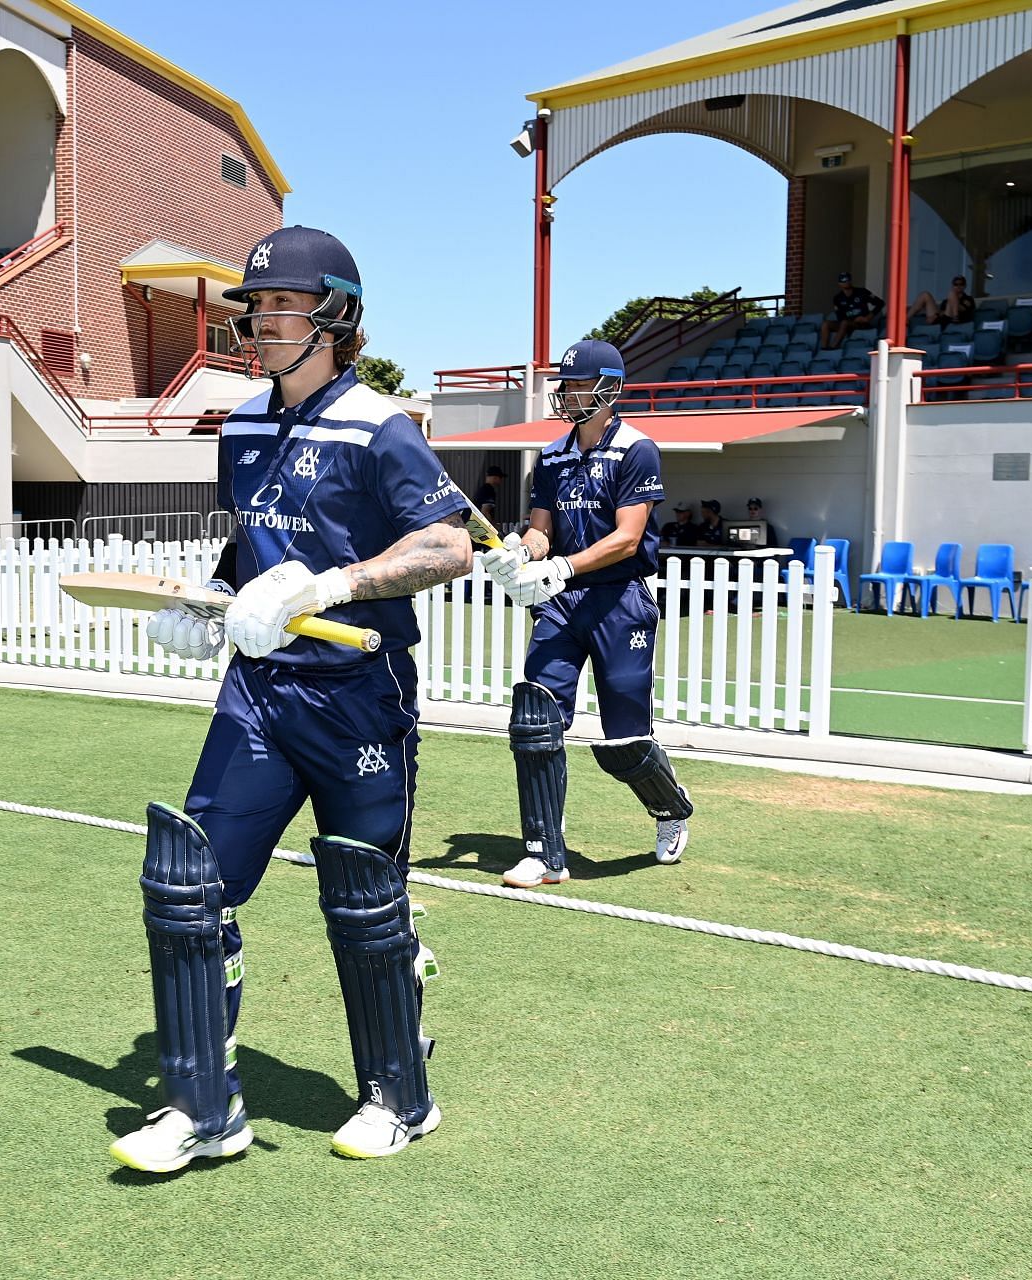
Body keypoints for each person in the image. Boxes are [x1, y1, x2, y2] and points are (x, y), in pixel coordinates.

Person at [110, 225, 472, 1174]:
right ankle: (202, 1108)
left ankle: (401, 1094)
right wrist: (210, 604)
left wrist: (334, 586)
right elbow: (251, 550)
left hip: (359, 691)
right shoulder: (240, 425)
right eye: (256, 307)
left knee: (364, 895)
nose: (261, 322)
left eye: (281, 307)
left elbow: (447, 548)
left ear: (336, 319)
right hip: (259, 693)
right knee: (190, 887)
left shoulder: (383, 425)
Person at [479, 339, 693, 890]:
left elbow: (627, 539)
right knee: (535, 716)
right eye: (566, 383)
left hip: (619, 600)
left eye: (578, 384)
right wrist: (520, 553)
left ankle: (670, 807)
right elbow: (541, 529)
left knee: (625, 745)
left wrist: (565, 568)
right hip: (562, 602)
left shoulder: (637, 449)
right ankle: (545, 852)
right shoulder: (551, 454)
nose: (567, 393)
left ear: (609, 390)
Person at [820, 271, 883, 349]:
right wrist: (852, 320)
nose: (846, 283)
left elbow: (880, 303)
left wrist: (868, 317)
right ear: (839, 284)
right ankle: (824, 349)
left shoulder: (862, 292)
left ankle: (833, 347)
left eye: (847, 280)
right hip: (847, 323)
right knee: (826, 324)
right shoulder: (837, 298)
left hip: (861, 323)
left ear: (850, 281)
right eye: (843, 281)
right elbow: (840, 316)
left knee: (844, 323)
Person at [906, 275, 974, 327]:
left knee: (952, 293)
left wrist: (952, 302)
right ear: (953, 286)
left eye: (961, 284)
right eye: (956, 284)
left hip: (957, 321)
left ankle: (955, 318)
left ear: (965, 286)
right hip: (943, 321)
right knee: (925, 294)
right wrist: (935, 315)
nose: (958, 286)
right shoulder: (946, 301)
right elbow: (941, 313)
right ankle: (906, 319)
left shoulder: (968, 299)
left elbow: (963, 309)